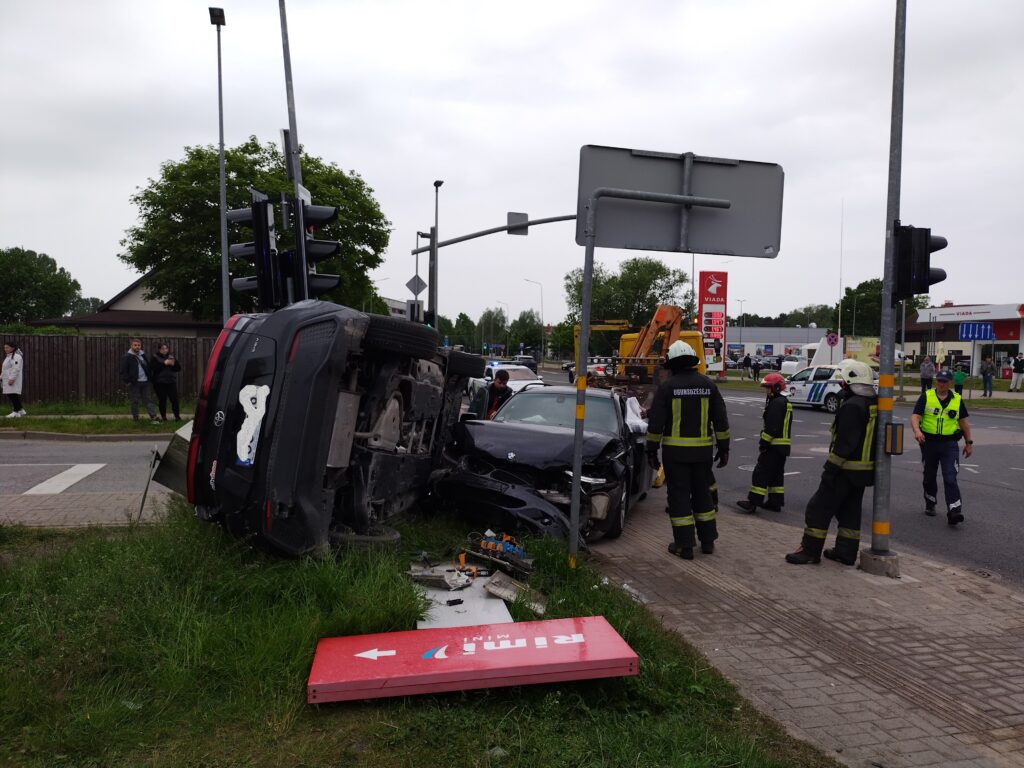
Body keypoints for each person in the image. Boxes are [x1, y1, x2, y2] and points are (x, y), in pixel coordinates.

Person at [786, 359, 877, 566]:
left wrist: (830, 469)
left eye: (843, 382)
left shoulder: (852, 406)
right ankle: (846, 553)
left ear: (850, 382)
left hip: (845, 469)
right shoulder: (874, 403)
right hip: (863, 472)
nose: (840, 386)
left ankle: (809, 551)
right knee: (850, 512)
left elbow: (845, 443)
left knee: (818, 508)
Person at [646, 340, 730, 560]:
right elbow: (721, 420)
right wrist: (724, 449)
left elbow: (656, 424)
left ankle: (684, 546)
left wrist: (651, 451)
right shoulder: (708, 385)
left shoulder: (667, 388)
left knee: (679, 497)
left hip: (675, 455)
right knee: (703, 494)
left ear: (672, 363)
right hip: (702, 454)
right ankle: (708, 541)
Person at [911, 368, 973, 526]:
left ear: (950, 383)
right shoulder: (926, 396)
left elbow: (964, 423)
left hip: (949, 444)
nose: (942, 384)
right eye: (939, 381)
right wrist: (917, 431)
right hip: (929, 444)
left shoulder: (957, 399)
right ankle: (930, 502)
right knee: (929, 476)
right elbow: (915, 416)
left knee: (950, 477)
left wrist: (969, 443)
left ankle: (954, 511)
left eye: (945, 381)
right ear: (935, 381)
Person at [737, 372, 792, 514]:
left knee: (760, 473)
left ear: (777, 387)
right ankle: (775, 502)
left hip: (773, 446)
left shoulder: (776, 403)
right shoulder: (784, 402)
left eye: (768, 387)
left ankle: (753, 502)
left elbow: (772, 428)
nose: (766, 390)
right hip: (782, 448)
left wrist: (763, 443)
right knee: (776, 475)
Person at [119, 338, 159, 422]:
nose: (137, 347)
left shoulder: (143, 355)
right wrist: (128, 382)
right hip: (135, 383)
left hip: (145, 382)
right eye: (135, 345)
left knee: (148, 400)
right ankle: (136, 418)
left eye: (139, 345)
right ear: (131, 346)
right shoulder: (127, 356)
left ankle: (153, 417)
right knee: (135, 401)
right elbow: (123, 371)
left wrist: (150, 377)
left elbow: (147, 366)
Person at [150, 343, 182, 421]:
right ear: (159, 349)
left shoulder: (171, 357)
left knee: (174, 400)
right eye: (162, 349)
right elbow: (153, 368)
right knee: (162, 400)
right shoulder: (155, 357)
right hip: (159, 383)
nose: (164, 350)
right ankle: (164, 417)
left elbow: (178, 368)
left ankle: (177, 416)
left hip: (171, 382)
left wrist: (173, 364)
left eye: (166, 348)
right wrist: (164, 363)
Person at [3, 341, 26, 418]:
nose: (5, 349)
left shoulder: (16, 357)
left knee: (12, 395)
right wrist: (1, 377)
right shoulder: (9, 356)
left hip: (12, 379)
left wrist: (12, 379)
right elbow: (5, 369)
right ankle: (21, 410)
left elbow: (16, 368)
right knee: (11, 394)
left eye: (7, 347)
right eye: (4, 347)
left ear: (12, 348)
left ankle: (16, 411)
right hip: (7, 379)